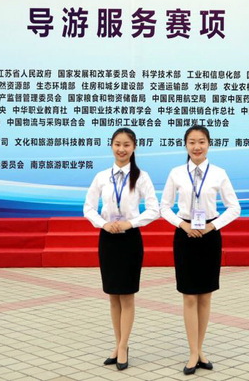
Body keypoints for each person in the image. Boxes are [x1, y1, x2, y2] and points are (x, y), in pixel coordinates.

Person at [160, 124, 241, 375]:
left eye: (202, 142)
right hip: (185, 235)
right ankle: (192, 352)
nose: (197, 147)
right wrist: (182, 224)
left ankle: (200, 350)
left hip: (209, 235)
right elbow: (164, 207)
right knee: (188, 296)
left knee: (205, 296)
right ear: (186, 145)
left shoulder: (218, 173)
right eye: (192, 142)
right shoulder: (176, 173)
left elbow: (234, 208)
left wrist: (212, 226)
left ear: (209, 144)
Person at [83, 127, 159, 371]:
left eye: (126, 145)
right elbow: (88, 207)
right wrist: (103, 224)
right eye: (117, 144)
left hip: (129, 240)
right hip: (108, 239)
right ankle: (117, 344)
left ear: (134, 147)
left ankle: (124, 346)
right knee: (113, 295)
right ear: (111, 146)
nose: (121, 149)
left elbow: (154, 209)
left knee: (126, 295)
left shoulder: (141, 177)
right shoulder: (101, 177)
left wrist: (130, 223)